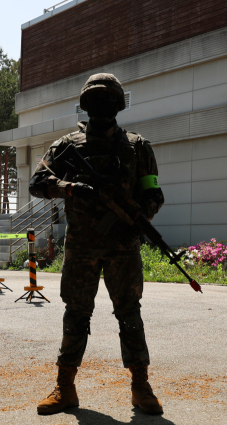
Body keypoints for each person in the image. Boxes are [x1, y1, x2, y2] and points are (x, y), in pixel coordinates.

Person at [29, 73, 165, 415]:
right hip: (82, 247)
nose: (101, 106)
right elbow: (37, 182)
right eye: (95, 100)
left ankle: (140, 387)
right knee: (76, 314)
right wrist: (70, 188)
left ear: (118, 104)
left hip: (123, 247)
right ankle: (65, 387)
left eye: (107, 100)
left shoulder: (137, 147)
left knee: (129, 315)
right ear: (85, 105)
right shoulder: (67, 147)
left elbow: (153, 193)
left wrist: (135, 223)